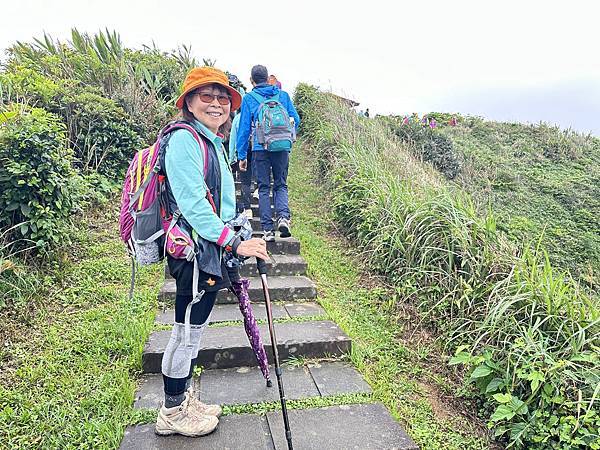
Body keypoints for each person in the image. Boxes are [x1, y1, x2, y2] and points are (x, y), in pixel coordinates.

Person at [156, 66, 269, 438]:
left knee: (195, 328)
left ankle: (183, 398)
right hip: (194, 253)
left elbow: (215, 202)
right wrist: (234, 242)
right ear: (188, 102)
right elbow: (193, 205)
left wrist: (235, 225)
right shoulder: (185, 140)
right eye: (206, 96)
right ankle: (171, 412)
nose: (217, 103)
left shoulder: (210, 140)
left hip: (209, 249)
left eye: (222, 97)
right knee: (186, 330)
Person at [236, 65, 300, 241]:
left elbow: (243, 129)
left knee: (264, 187)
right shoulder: (283, 95)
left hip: (260, 148)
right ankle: (283, 218)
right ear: (267, 78)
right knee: (281, 184)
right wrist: (286, 137)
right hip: (281, 148)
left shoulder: (249, 98)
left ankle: (267, 231)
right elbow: (297, 119)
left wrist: (241, 156)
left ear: (252, 80)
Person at [228, 107, 254, 218]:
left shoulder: (238, 118)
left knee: (245, 181)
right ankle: (257, 191)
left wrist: (232, 157)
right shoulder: (256, 116)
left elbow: (233, 138)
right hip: (258, 149)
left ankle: (248, 209)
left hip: (243, 150)